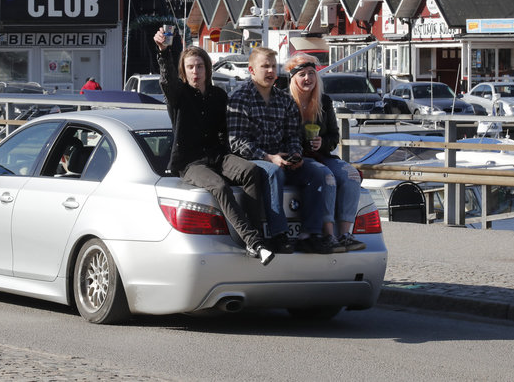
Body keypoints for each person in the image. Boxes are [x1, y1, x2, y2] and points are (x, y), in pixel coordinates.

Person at [153, 27, 274, 265]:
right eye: (190, 67)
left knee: (251, 171)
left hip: (218, 156)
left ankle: (257, 233)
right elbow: (167, 80)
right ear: (184, 71)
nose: (195, 71)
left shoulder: (219, 95)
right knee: (219, 186)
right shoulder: (179, 95)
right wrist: (163, 52)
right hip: (190, 162)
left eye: (199, 66)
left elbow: (228, 130)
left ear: (207, 69)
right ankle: (253, 241)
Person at [227, 46, 335, 254]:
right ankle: (279, 234)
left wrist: (295, 154)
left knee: (317, 172)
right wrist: (269, 157)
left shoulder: (284, 100)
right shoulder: (240, 98)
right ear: (251, 70)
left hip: (282, 157)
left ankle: (310, 234)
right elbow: (237, 142)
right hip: (255, 159)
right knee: (273, 171)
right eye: (264, 66)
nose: (270, 71)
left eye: (273, 67)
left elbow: (292, 135)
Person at [284, 53, 366, 252]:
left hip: (322, 155)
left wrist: (322, 142)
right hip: (298, 157)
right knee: (326, 176)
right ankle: (329, 234)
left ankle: (345, 233)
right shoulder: (285, 101)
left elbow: (333, 137)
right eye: (302, 74)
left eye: (311, 73)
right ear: (293, 78)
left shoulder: (324, 101)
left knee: (351, 174)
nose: (307, 79)